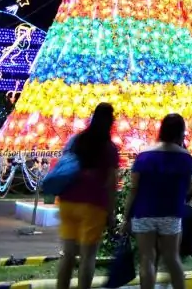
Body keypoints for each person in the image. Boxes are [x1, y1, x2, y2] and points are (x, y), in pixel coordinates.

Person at [122, 113, 192, 289]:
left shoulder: (144, 155)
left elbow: (134, 189)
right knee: (172, 259)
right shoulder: (185, 157)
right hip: (171, 213)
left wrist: (126, 217)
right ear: (181, 132)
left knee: (147, 258)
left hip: (144, 213)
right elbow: (187, 188)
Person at [56, 103, 118, 289]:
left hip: (68, 202)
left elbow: (64, 164)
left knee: (68, 254)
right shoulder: (109, 148)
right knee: (88, 256)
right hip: (93, 205)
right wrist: (111, 212)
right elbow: (110, 183)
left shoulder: (77, 140)